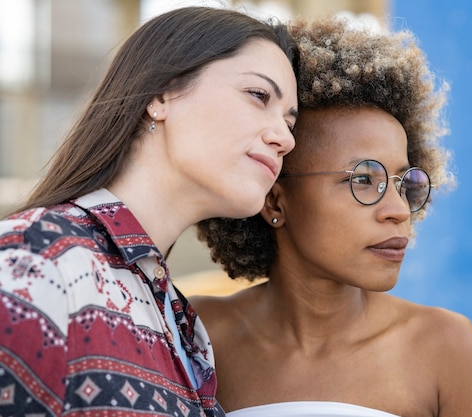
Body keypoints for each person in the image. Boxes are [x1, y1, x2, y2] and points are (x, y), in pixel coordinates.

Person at [0, 6, 298, 417]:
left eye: (290, 121)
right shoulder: (37, 259)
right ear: (162, 94)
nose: (284, 138)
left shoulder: (180, 322)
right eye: (259, 96)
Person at [192, 16, 472, 417]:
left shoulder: (445, 347)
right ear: (275, 202)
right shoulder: (199, 337)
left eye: (405, 183)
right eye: (364, 180)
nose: (399, 211)